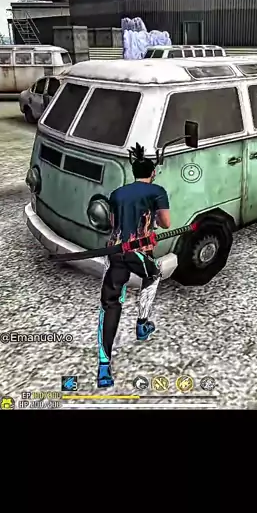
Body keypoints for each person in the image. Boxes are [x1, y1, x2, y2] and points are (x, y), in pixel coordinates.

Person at [97, 144, 170, 388]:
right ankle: (142, 324)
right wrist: (152, 220)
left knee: (111, 304)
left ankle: (104, 368)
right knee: (154, 274)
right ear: (153, 173)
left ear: (134, 172)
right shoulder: (157, 191)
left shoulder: (117, 193)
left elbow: (113, 223)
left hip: (116, 253)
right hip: (138, 253)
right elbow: (166, 223)